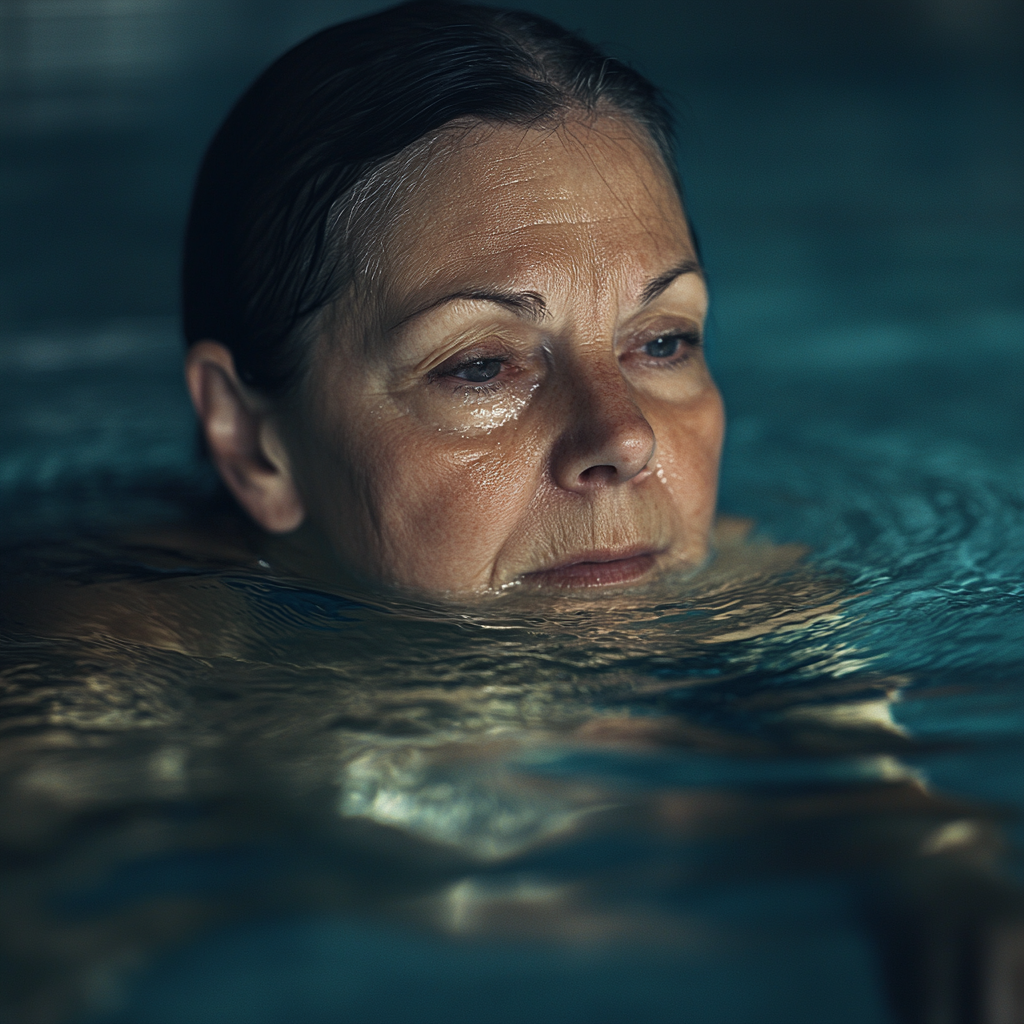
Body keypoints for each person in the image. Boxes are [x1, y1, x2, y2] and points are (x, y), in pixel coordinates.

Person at [182, 0, 725, 598]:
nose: (626, 439)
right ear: (254, 445)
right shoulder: (122, 668)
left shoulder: (789, 607)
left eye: (663, 342)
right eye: (481, 367)